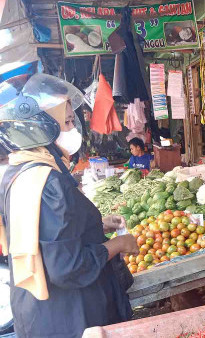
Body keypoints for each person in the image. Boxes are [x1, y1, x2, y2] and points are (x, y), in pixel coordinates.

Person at [0, 74, 139, 338]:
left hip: (39, 316)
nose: (74, 128)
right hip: (69, 321)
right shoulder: (49, 183)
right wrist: (118, 244)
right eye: (67, 122)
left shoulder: (17, 173)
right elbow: (68, 267)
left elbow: (43, 236)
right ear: (41, 128)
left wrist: (96, 225)